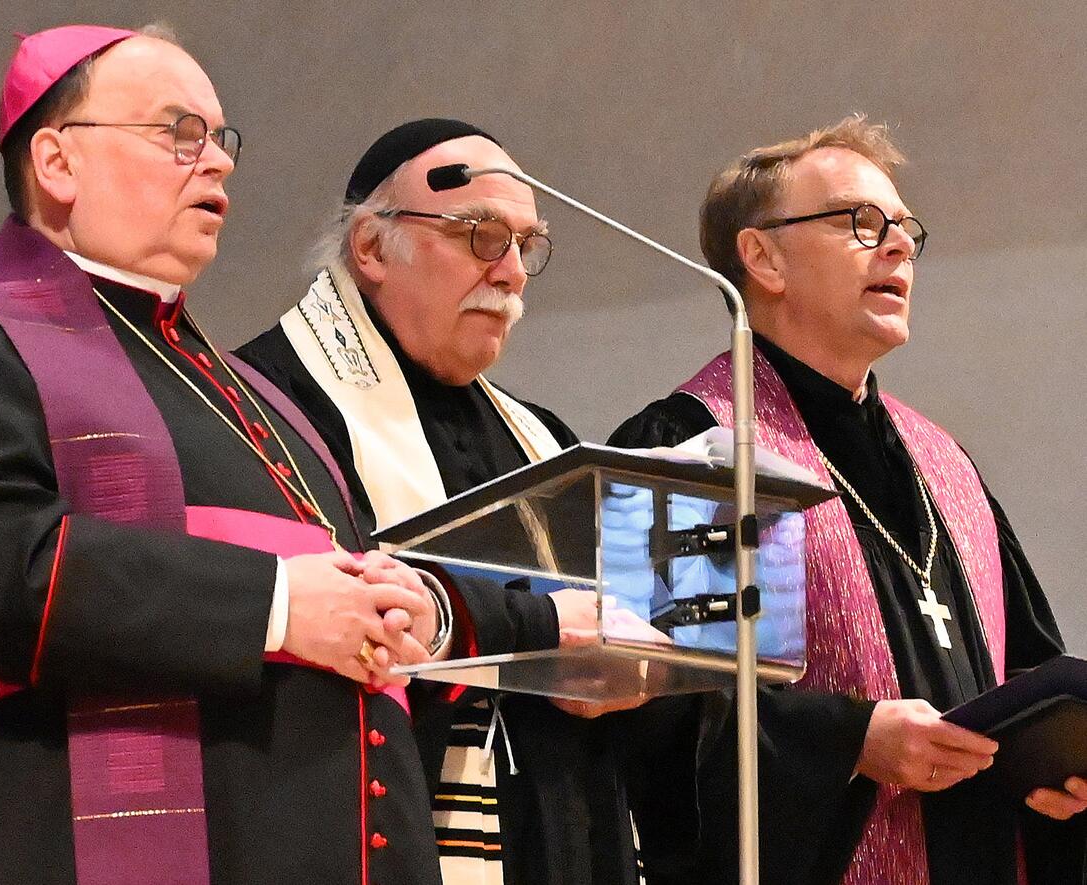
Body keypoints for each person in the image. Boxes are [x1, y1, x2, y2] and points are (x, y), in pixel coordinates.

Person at [0, 26, 457, 885]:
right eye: (178, 133)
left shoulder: (251, 390)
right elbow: (7, 573)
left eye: (219, 138)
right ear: (57, 163)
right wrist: (277, 604)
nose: (218, 163)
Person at [608, 115, 1087, 884]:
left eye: (904, 229)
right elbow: (661, 712)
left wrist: (1060, 767)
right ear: (762, 257)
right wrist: (853, 739)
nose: (898, 245)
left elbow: (1028, 673)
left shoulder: (944, 463)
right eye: (861, 223)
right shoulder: (696, 449)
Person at [237, 119, 642, 885]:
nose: (513, 271)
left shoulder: (543, 437)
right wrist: (549, 627)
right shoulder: (266, 406)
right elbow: (354, 605)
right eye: (483, 235)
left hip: (560, 824)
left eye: (527, 245)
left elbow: (626, 620)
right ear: (371, 248)